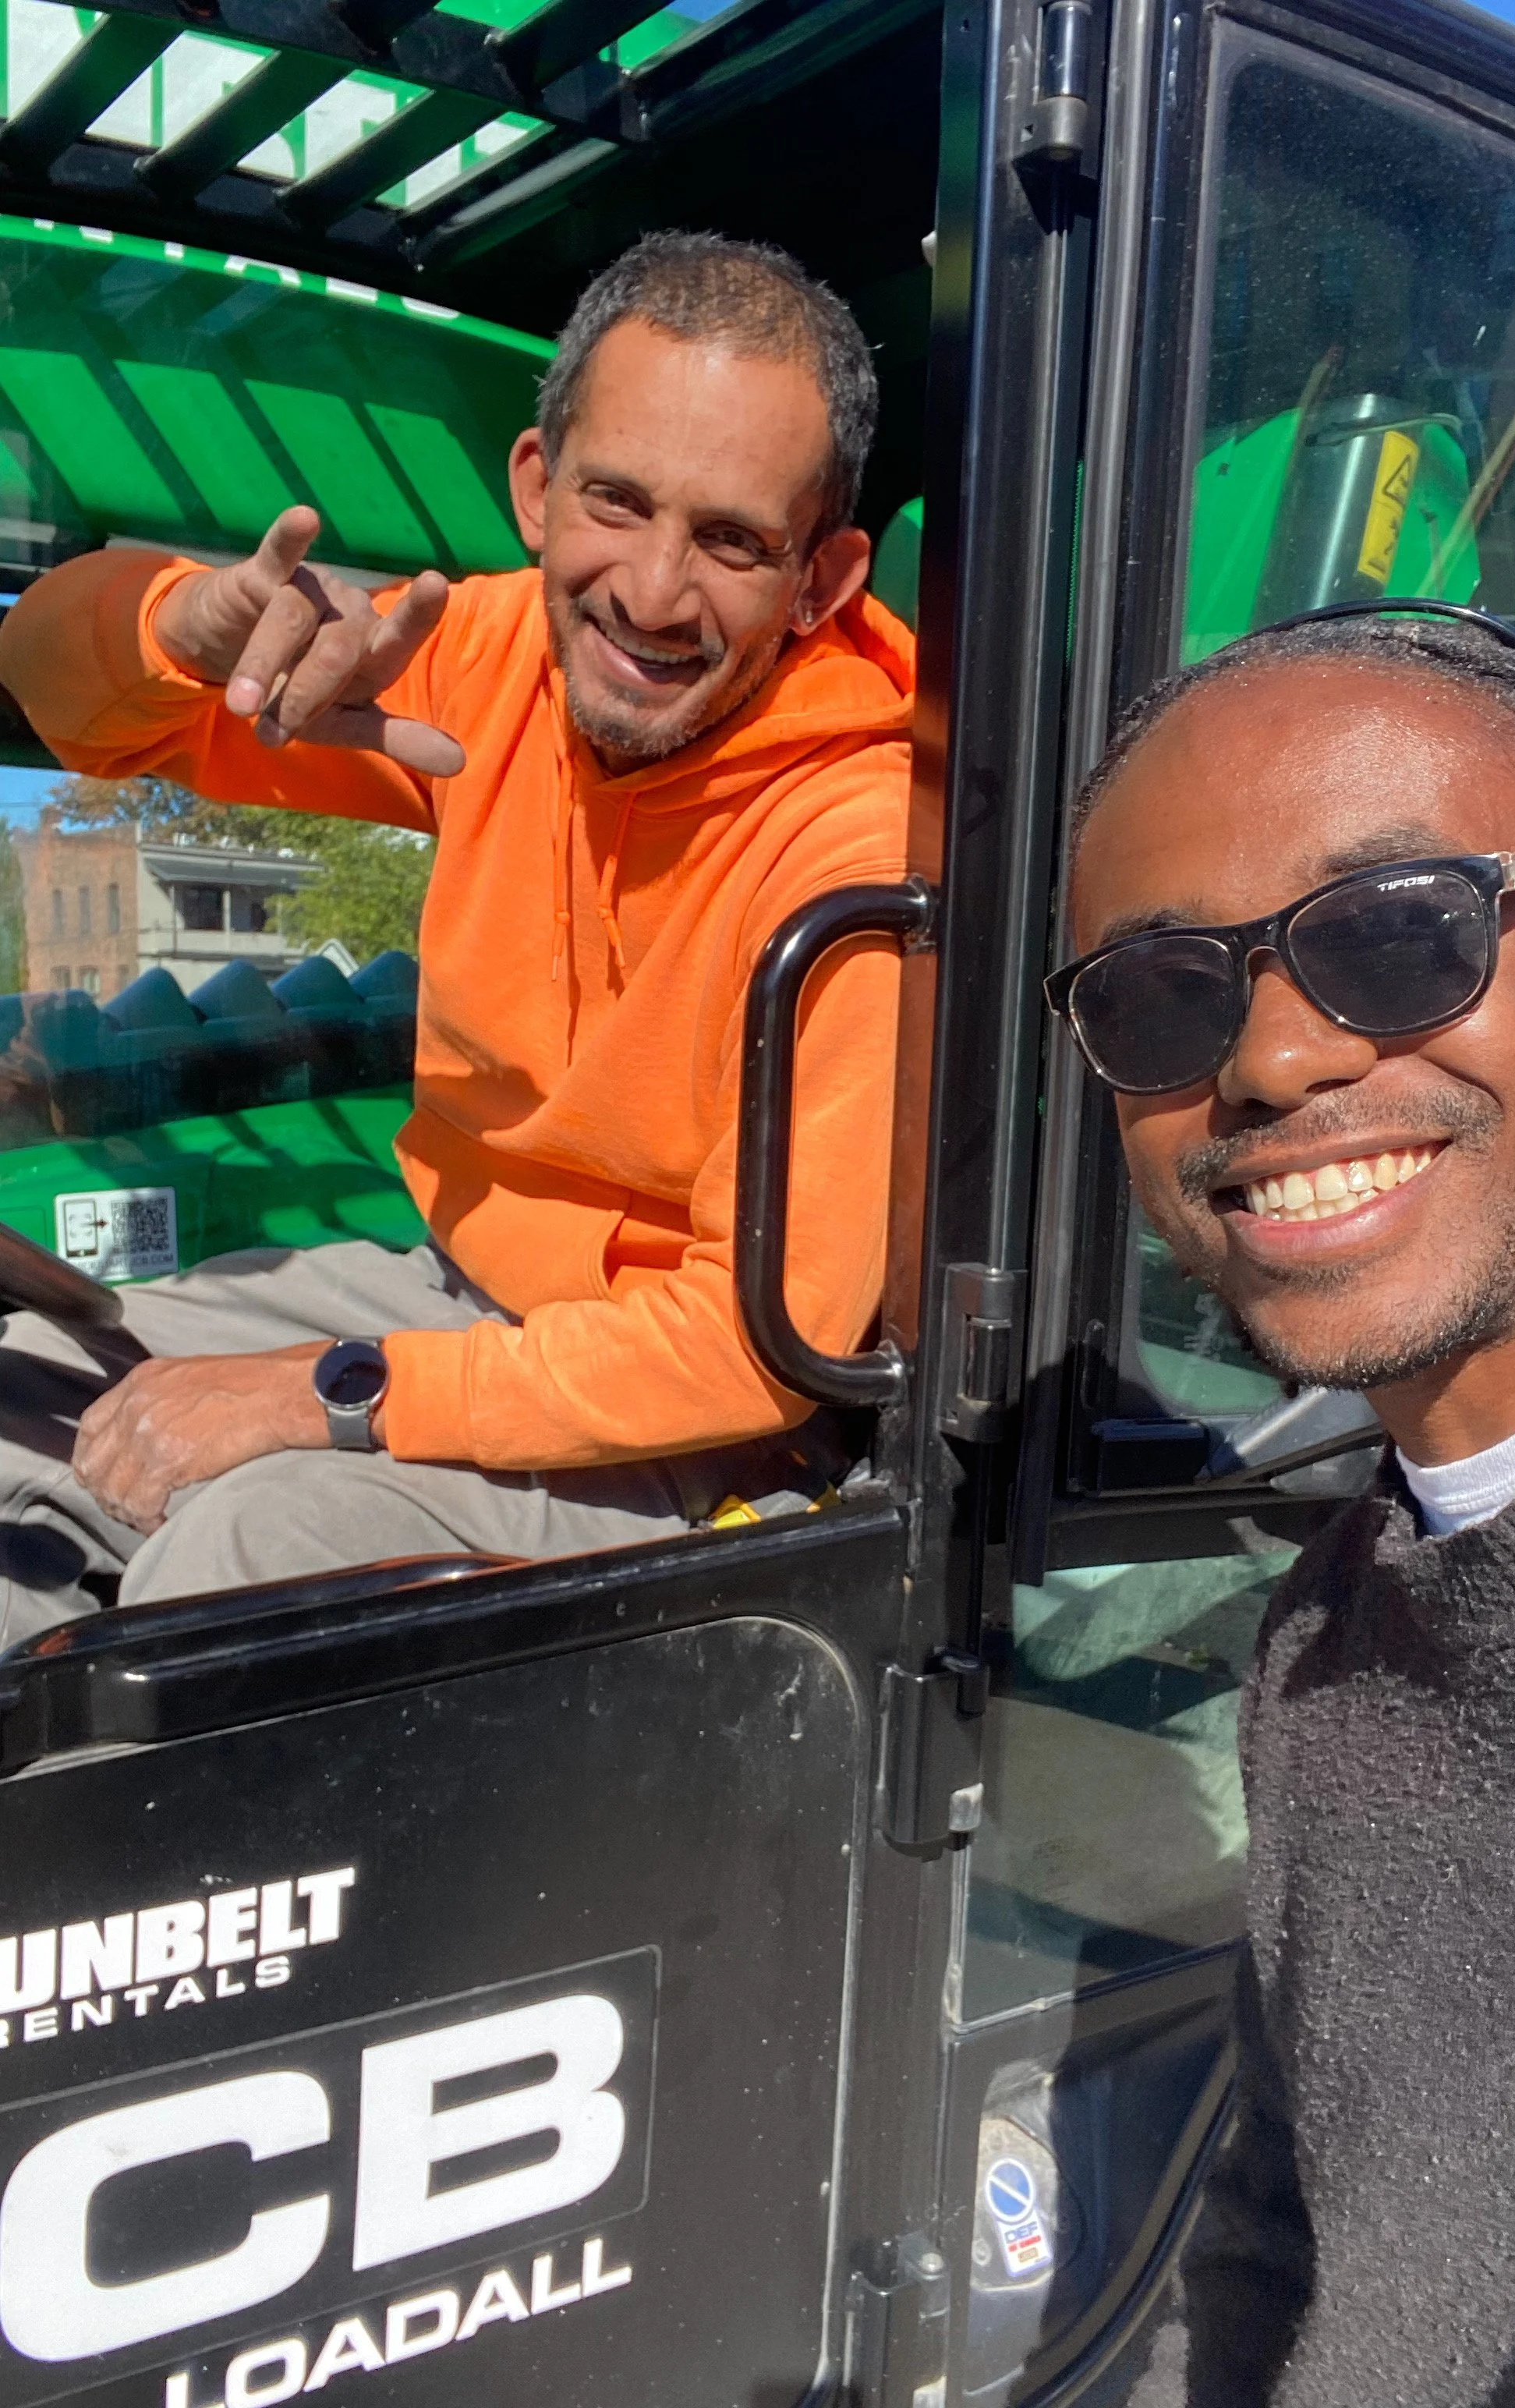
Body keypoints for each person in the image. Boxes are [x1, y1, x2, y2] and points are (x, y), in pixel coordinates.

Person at [1051, 602, 1515, 2405]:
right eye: (1164, 996)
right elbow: (1275, 2248)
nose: (1272, 1059)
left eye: (1397, 936)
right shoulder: (1324, 1647)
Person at [0, 230, 913, 1639]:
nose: (653, 594)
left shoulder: (849, 846)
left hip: (684, 1423)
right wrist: (179, 623)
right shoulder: (496, 662)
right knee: (19, 1389)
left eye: (732, 540)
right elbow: (63, 695)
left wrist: (324, 1394)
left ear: (824, 579)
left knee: (247, 1557)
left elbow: (748, 1353)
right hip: (448, 1287)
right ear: (538, 489)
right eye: (618, 502)